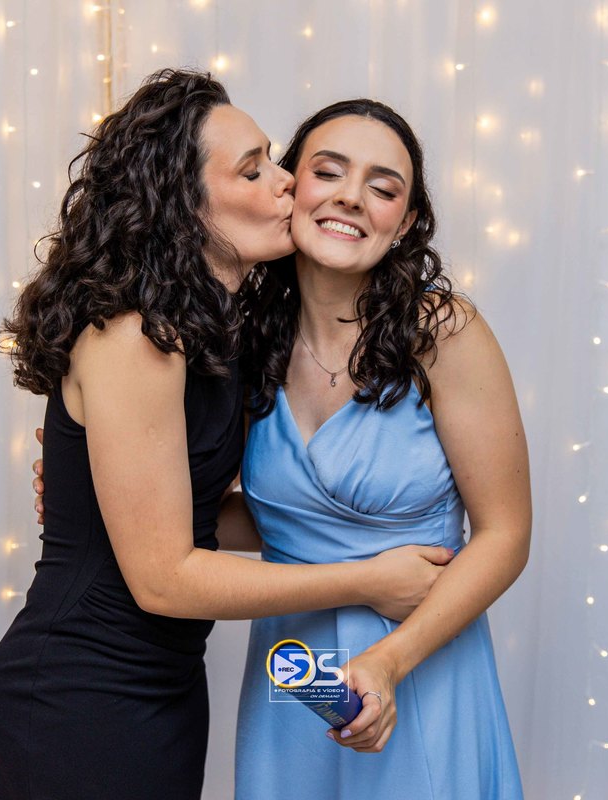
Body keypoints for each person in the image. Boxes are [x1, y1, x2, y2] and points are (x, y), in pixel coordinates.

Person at [0, 70, 455, 800]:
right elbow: (164, 579)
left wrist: (374, 524)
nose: (287, 180)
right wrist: (369, 578)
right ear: (184, 204)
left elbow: (210, 517)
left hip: (165, 685)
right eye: (253, 169)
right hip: (79, 693)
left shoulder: (214, 334)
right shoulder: (135, 335)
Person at [231, 98, 531, 798]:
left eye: (383, 187)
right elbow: (255, 519)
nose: (350, 197)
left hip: (420, 661)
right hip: (293, 671)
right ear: (289, 187)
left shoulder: (444, 333)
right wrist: (95, 487)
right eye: (328, 171)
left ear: (407, 221)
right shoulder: (247, 339)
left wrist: (390, 662)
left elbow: (506, 534)